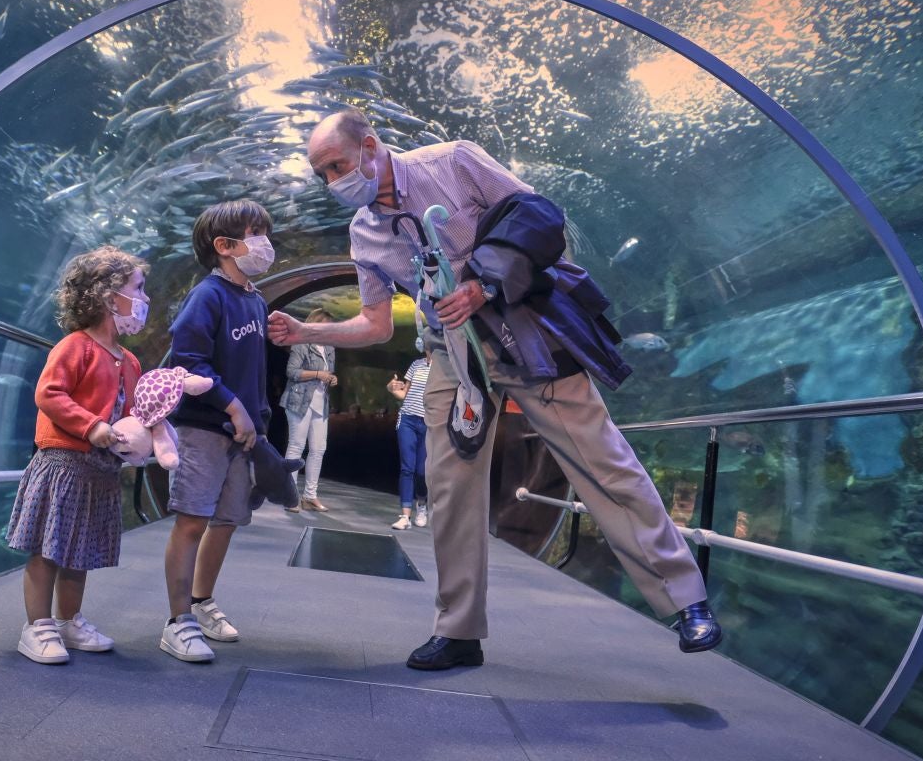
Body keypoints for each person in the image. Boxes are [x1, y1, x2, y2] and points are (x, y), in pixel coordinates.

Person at [267, 107, 721, 670]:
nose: (335, 182)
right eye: (323, 174)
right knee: (450, 488)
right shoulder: (364, 235)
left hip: (525, 334)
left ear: (371, 145)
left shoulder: (452, 162)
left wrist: (482, 285)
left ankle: (686, 601)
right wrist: (308, 330)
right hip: (450, 353)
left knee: (602, 461)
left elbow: (538, 218)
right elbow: (376, 324)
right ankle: (458, 630)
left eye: (338, 165)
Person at [6, 246, 148, 664]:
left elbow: (132, 414)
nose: (144, 299)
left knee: (78, 551)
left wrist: (141, 439)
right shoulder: (76, 346)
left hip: (99, 471)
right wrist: (92, 426)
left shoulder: (132, 361)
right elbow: (48, 394)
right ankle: (37, 626)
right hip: (64, 464)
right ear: (108, 296)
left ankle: (69, 620)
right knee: (48, 550)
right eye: (138, 289)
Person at [161, 200, 275, 663]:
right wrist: (232, 407)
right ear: (224, 246)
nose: (265, 243)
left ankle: (201, 601)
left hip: (243, 433)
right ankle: (176, 622)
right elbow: (187, 360)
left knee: (227, 520)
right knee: (192, 520)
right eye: (256, 233)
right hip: (205, 427)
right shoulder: (208, 295)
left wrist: (256, 419)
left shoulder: (255, 298)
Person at [280, 308, 338, 513]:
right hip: (299, 401)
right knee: (296, 446)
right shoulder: (302, 344)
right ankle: (290, 495)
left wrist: (331, 378)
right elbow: (292, 372)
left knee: (318, 449)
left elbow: (328, 373)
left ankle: (310, 496)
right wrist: (317, 374)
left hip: (320, 402)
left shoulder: (330, 348)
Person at [385, 344, 430, 530]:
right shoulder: (416, 364)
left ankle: (422, 503)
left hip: (430, 423)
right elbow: (404, 393)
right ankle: (405, 516)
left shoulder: (446, 367)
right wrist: (390, 388)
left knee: (422, 471)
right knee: (407, 468)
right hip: (408, 420)